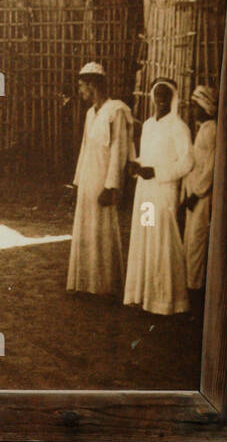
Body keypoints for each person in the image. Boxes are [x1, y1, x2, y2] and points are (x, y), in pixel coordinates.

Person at [124, 78, 194, 315]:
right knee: (146, 235)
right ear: (153, 97)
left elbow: (187, 162)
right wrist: (137, 165)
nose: (160, 100)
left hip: (164, 191)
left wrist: (159, 173)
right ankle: (144, 295)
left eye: (165, 96)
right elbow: (148, 157)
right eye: (158, 95)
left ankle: (165, 300)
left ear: (172, 98)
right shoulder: (150, 125)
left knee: (163, 239)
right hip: (146, 191)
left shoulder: (178, 126)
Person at [66, 61, 133, 297]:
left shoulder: (116, 111)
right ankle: (86, 284)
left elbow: (119, 151)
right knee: (86, 228)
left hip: (103, 179)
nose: (81, 92)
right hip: (87, 178)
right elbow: (85, 149)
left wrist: (111, 186)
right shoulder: (90, 114)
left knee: (102, 230)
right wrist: (76, 184)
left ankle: (104, 286)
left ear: (93, 85)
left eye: (83, 87)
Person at [182, 85, 218, 292]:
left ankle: (194, 289)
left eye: (196, 105)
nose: (192, 109)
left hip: (201, 196)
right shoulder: (202, 128)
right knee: (190, 240)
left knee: (197, 241)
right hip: (193, 193)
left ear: (205, 106)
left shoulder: (212, 129)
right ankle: (189, 285)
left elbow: (211, 166)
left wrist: (197, 193)